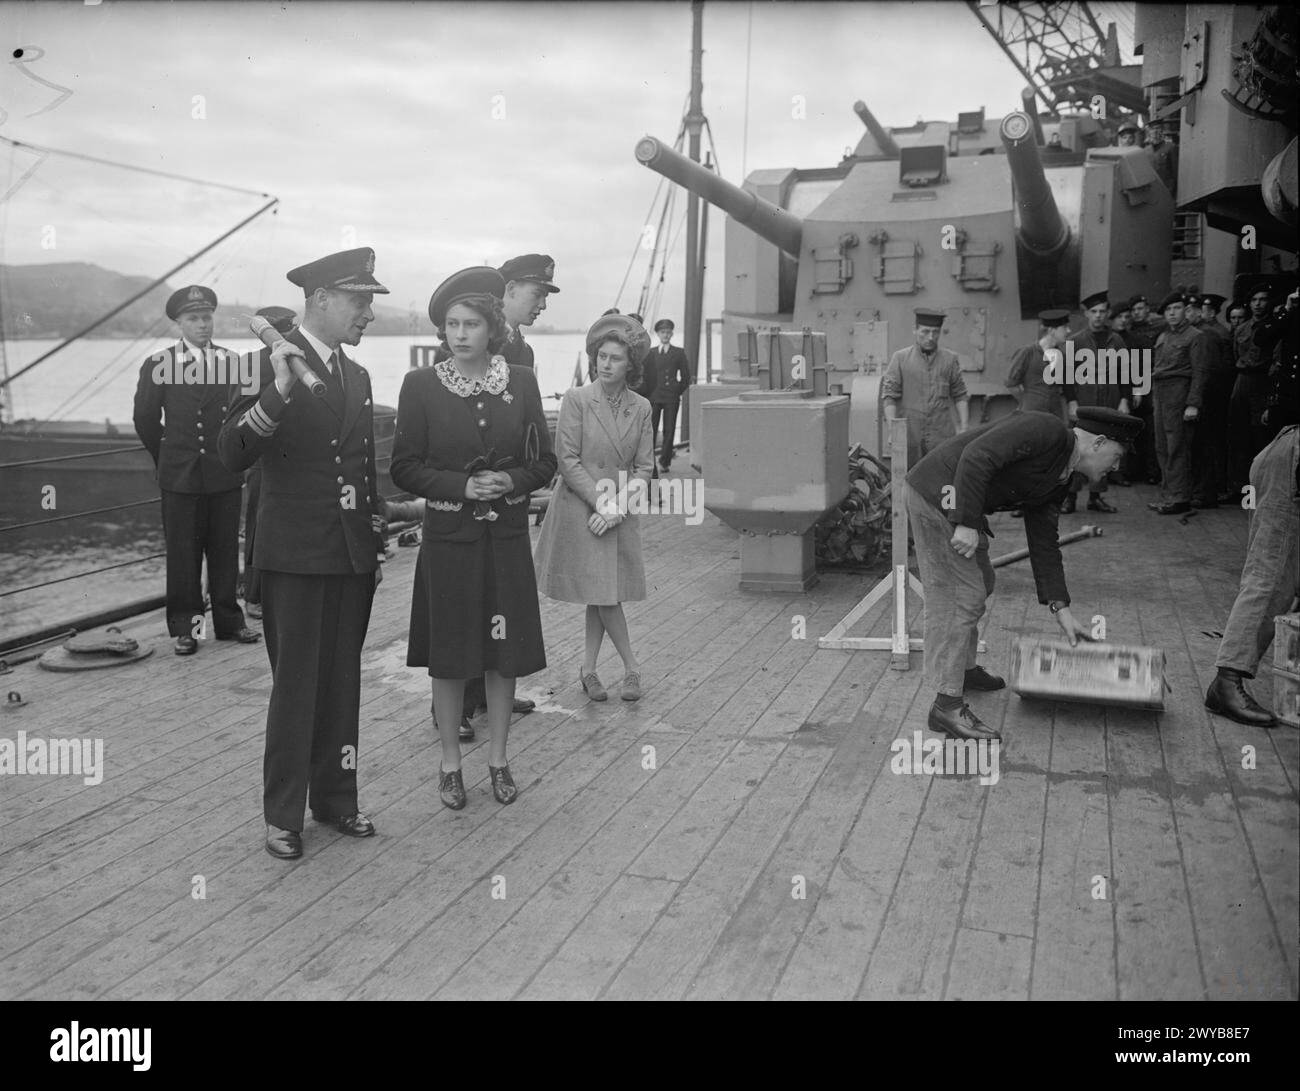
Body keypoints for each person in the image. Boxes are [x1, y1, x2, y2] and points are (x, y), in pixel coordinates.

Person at [218, 247, 389, 861]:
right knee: (296, 686)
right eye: (359, 300)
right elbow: (231, 453)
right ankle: (283, 813)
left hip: (350, 555)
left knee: (342, 681)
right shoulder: (264, 365)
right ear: (320, 300)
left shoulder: (356, 375)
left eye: (369, 301)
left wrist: (372, 533)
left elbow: (361, 467)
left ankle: (337, 799)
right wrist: (280, 391)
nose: (367, 313)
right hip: (292, 555)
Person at [390, 267, 556, 811]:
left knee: (503, 656)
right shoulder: (420, 386)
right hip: (450, 541)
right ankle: (449, 765)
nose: (460, 334)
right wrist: (461, 485)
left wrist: (513, 480)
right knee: (451, 654)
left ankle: (500, 759)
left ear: (491, 330)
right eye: (452, 325)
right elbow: (405, 468)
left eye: (471, 324)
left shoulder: (522, 382)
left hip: (504, 539)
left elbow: (545, 462)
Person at [905, 407, 1140, 740]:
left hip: (955, 503)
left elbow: (1044, 543)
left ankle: (965, 670)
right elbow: (976, 456)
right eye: (1116, 457)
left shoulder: (1060, 478)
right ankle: (946, 704)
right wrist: (967, 521)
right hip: (935, 496)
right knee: (960, 598)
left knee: (983, 582)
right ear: (1099, 442)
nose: (1116, 466)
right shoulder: (1045, 429)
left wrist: (1062, 609)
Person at [133, 285, 259, 656]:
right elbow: (144, 418)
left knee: (223, 550)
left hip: (223, 472)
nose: (202, 325)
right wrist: (168, 456)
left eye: (206, 317)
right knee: (184, 554)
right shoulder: (159, 365)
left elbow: (246, 415)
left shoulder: (234, 363)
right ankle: (189, 629)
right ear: (178, 324)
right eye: (193, 319)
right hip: (181, 475)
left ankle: (230, 622)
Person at [535, 314, 654, 703]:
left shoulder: (642, 408)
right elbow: (566, 459)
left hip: (617, 512)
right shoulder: (577, 400)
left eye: (615, 358)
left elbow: (645, 467)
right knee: (604, 594)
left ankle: (588, 669)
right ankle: (632, 667)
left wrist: (618, 506)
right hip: (582, 509)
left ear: (630, 366)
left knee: (601, 592)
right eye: (601, 356)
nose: (605, 364)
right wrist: (601, 503)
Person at [1205, 288, 1299, 727]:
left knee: (1285, 580)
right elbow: (1264, 338)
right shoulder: (1289, 315)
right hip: (1293, 454)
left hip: (1286, 449)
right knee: (1270, 575)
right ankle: (1227, 680)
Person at [242, 305, 299, 620]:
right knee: (258, 529)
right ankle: (254, 595)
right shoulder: (252, 364)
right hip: (264, 460)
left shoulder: (295, 360)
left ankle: (272, 592)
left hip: (291, 460)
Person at [1062, 289, 1130, 512]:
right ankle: (1069, 497)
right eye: (1094, 311)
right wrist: (1072, 401)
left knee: (1104, 449)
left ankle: (1095, 497)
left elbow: (1125, 373)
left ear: (1108, 313)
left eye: (1102, 311)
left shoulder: (1116, 340)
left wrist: (1124, 400)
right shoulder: (1075, 341)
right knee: (1076, 450)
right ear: (1086, 314)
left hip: (1109, 402)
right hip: (1084, 402)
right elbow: (1066, 376)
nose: (1098, 315)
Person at [1148, 291, 1212, 515]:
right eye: (1168, 310)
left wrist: (1193, 403)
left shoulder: (1195, 336)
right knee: (1162, 446)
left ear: (1185, 311)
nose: (1172, 313)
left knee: (1178, 447)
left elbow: (1200, 372)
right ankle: (1169, 495)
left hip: (1180, 393)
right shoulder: (1164, 337)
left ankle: (1180, 497)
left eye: (1176, 308)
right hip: (1161, 393)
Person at [881, 308, 969, 469]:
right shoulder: (900, 358)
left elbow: (960, 395)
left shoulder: (950, 360)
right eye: (925, 331)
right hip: (909, 435)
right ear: (915, 330)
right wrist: (892, 430)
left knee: (944, 479)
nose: (931, 337)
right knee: (908, 479)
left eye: (936, 332)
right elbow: (889, 396)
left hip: (941, 435)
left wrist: (963, 428)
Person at [1229, 287, 1277, 492]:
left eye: (1263, 299)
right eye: (1254, 300)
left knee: (1261, 434)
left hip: (1263, 380)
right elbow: (1235, 355)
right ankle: (1239, 486)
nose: (1258, 304)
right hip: (1242, 381)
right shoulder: (1242, 329)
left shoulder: (1274, 327)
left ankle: (1260, 486)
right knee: (1239, 433)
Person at [1192, 293, 1235, 507]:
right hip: (1213, 394)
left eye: (1196, 310)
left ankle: (1206, 492)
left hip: (1210, 396)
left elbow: (1208, 369)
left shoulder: (1208, 334)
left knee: (1206, 443)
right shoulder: (1210, 331)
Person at [497, 253, 561, 370]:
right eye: (537, 294)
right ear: (511, 288)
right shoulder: (476, 341)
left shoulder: (526, 352)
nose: (543, 305)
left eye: (545, 297)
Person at [1005, 309, 1070, 418]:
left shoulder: (1061, 355)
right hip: (1031, 416)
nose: (1068, 331)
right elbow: (1011, 383)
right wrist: (1028, 400)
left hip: (1055, 416)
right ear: (1051, 330)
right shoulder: (1027, 352)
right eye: (1064, 327)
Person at [647, 318, 691, 472]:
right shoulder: (650, 353)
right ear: (658, 334)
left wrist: (675, 391)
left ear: (672, 334)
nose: (665, 335)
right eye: (662, 332)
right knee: (650, 430)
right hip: (654, 397)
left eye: (668, 332)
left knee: (669, 429)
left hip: (671, 397)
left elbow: (686, 378)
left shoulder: (678, 352)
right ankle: (649, 463)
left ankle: (664, 462)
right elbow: (646, 376)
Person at [1146, 125, 1178, 195]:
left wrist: (1172, 191)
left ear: (1162, 132)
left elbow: (1175, 172)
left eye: (1157, 129)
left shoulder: (1171, 147)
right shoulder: (1146, 151)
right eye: (1152, 130)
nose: (1155, 133)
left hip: (1167, 191)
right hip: (1150, 193)